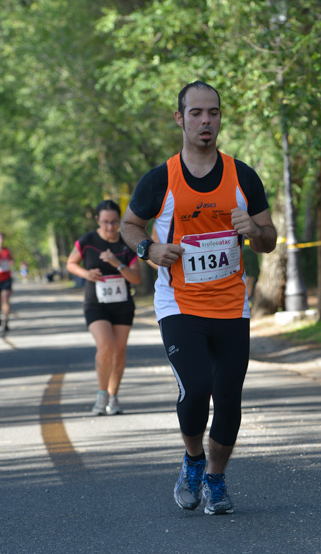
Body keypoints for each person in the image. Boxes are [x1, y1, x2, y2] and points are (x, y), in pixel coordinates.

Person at [121, 81, 277, 515]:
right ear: (180, 119)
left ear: (220, 117)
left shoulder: (242, 176)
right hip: (179, 302)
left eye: (213, 112)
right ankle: (192, 460)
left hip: (230, 303)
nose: (206, 121)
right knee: (197, 389)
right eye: (196, 113)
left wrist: (256, 232)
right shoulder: (161, 179)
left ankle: (216, 478)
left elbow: (270, 239)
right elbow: (130, 225)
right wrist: (149, 250)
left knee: (228, 397)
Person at [67, 199, 141, 416]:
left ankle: (113, 395)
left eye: (114, 222)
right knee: (106, 345)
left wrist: (116, 263)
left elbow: (136, 278)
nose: (110, 227)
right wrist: (86, 274)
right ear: (98, 220)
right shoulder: (88, 241)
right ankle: (102, 394)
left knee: (119, 350)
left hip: (122, 305)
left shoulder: (127, 242)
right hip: (95, 304)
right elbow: (71, 264)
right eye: (106, 222)